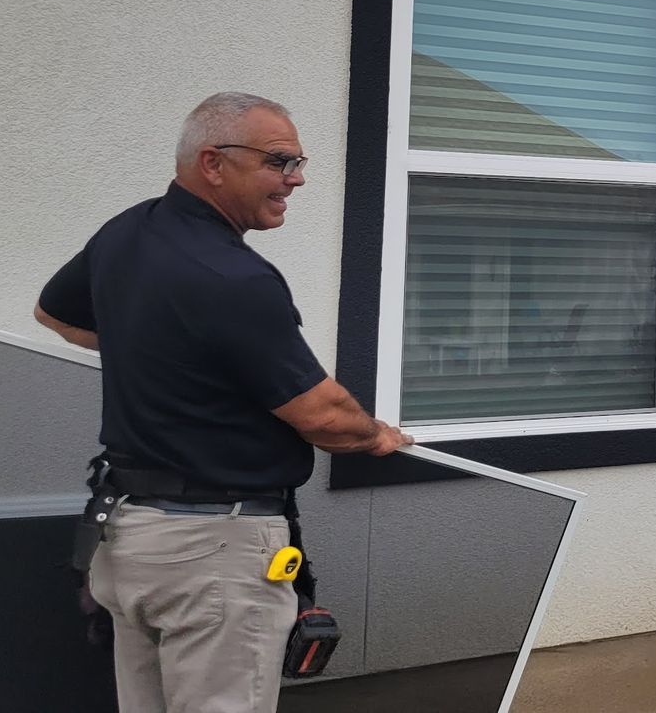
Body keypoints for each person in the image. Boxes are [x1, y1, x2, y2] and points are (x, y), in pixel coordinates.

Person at [34, 92, 412, 713]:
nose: (297, 178)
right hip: (210, 555)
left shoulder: (127, 232)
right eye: (280, 162)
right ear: (214, 162)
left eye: (297, 162)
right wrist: (377, 437)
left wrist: (161, 352)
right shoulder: (232, 277)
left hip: (128, 537)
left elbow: (56, 314)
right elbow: (323, 418)